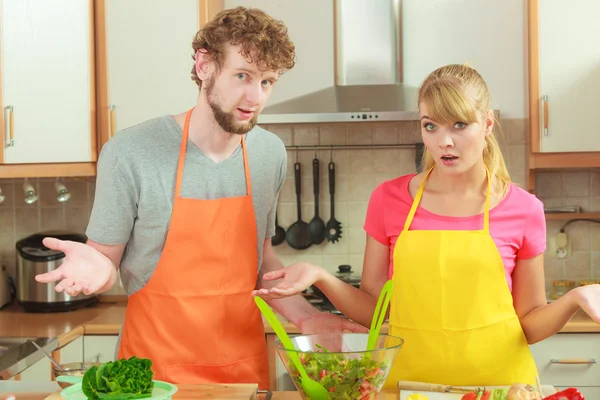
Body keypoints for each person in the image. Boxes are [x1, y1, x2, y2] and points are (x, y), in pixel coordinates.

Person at [34, 6, 364, 390]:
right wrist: (98, 271)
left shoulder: (268, 153)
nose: (254, 97)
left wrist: (306, 316)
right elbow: (105, 263)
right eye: (242, 76)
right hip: (152, 377)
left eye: (267, 82)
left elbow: (261, 263)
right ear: (204, 64)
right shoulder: (131, 152)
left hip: (242, 377)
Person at [253, 64, 600, 389]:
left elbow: (529, 322)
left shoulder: (524, 208)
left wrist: (575, 298)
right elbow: (376, 311)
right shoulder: (389, 199)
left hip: (499, 388)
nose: (443, 142)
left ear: (488, 124)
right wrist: (321, 276)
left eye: (459, 125)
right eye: (430, 125)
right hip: (409, 388)